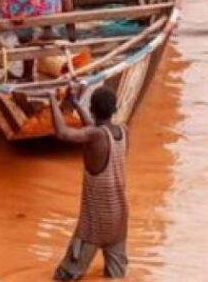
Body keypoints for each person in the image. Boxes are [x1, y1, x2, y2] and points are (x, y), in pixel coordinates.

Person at [49, 85, 129, 280]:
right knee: (115, 277)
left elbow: (63, 133)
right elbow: (95, 129)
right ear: (115, 110)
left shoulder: (95, 136)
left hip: (94, 223)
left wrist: (52, 99)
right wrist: (76, 103)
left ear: (92, 109)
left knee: (64, 277)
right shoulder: (123, 132)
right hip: (119, 220)